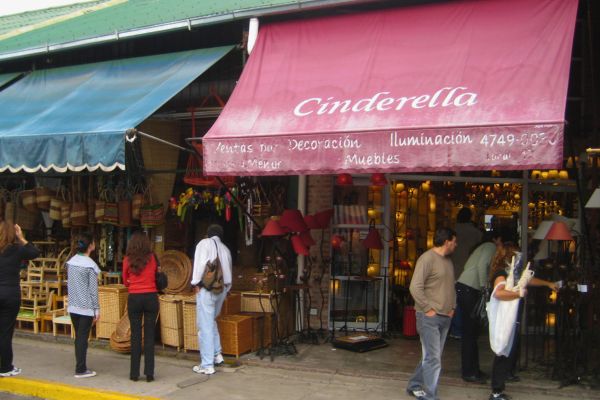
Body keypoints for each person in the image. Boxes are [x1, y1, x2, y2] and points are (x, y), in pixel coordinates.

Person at [488, 243, 557, 400]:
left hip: (511, 319)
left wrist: (547, 284)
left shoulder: (512, 272)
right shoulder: (502, 273)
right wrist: (519, 294)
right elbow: (498, 293)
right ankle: (496, 391)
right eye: (517, 256)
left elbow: (528, 280)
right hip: (504, 319)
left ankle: (499, 388)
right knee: (502, 352)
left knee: (506, 352)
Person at [406, 227, 458, 400]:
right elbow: (415, 287)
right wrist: (427, 308)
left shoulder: (448, 261)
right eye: (454, 241)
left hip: (444, 316)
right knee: (433, 358)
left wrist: (453, 307)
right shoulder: (427, 259)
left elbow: (451, 286)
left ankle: (414, 384)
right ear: (447, 241)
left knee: (431, 355)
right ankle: (430, 396)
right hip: (429, 317)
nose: (456, 245)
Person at [456, 229, 510, 384]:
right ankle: (469, 371)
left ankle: (473, 369)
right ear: (497, 239)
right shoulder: (489, 246)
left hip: (465, 287)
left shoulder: (482, 247)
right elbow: (481, 266)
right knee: (470, 332)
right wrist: (483, 288)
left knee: (472, 332)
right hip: (469, 289)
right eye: (503, 243)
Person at [190, 224, 232, 375]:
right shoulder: (226, 249)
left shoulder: (204, 243)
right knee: (211, 320)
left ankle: (207, 364)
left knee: (204, 326)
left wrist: (195, 283)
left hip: (207, 289)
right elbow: (228, 274)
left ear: (207, 234)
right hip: (223, 289)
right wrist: (227, 290)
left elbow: (199, 264)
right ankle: (217, 354)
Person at [0, 223, 39, 377]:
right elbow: (35, 252)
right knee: (5, 333)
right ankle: (5, 367)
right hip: (10, 294)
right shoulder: (17, 250)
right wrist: (22, 238)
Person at [122, 231, 159, 382]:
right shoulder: (153, 258)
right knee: (150, 336)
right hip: (151, 297)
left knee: (136, 336)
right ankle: (149, 374)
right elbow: (156, 276)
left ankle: (134, 374)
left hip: (135, 298)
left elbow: (125, 281)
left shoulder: (127, 260)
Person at [66, 232, 100, 378]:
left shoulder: (71, 262)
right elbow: (93, 290)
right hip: (86, 307)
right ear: (91, 246)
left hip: (73, 306)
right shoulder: (90, 266)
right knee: (82, 339)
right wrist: (96, 309)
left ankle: (80, 365)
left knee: (79, 337)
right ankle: (80, 369)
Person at [449, 207, 483, 339]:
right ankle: (465, 329)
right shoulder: (475, 233)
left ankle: (455, 329)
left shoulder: (453, 231)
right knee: (467, 302)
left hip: (452, 270)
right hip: (470, 272)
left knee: (454, 301)